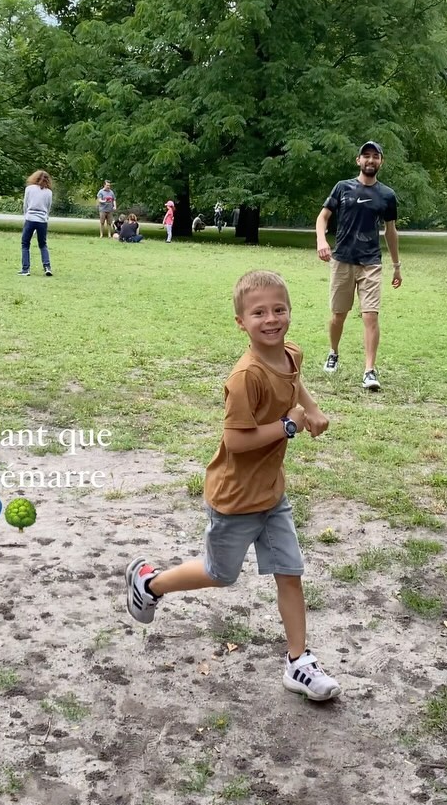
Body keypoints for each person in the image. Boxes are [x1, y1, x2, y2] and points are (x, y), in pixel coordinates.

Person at [125, 270, 339, 701]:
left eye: (279, 309)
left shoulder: (291, 354)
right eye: (258, 312)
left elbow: (296, 383)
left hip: (271, 495)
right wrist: (288, 426)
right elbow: (236, 442)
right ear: (241, 322)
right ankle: (149, 583)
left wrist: (311, 409)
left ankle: (299, 662)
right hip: (236, 499)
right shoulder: (246, 377)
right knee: (219, 575)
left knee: (290, 573)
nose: (271, 319)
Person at [315, 141, 401, 392]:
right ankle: (333, 352)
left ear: (381, 162)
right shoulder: (343, 188)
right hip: (342, 259)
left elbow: (391, 231)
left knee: (370, 315)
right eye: (366, 156)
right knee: (337, 315)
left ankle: (369, 370)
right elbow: (323, 217)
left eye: (375, 156)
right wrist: (321, 240)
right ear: (358, 161)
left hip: (371, 262)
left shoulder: (387, 195)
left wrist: (396, 265)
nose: (371, 160)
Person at [19, 169, 53, 277]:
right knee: (43, 244)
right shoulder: (49, 192)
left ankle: (25, 269)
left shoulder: (29, 189)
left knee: (25, 244)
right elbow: (48, 207)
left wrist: (26, 216)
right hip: (42, 220)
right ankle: (47, 267)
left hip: (30, 218)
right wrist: (45, 217)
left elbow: (25, 204)